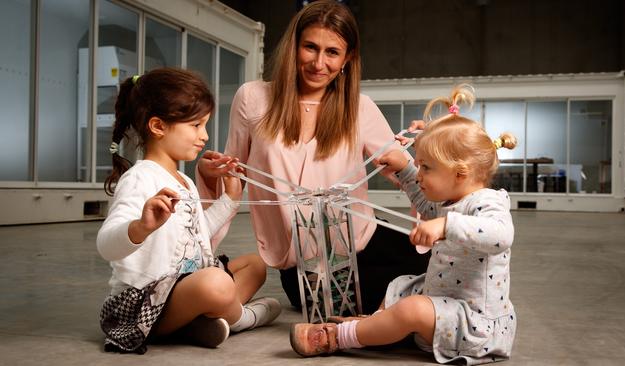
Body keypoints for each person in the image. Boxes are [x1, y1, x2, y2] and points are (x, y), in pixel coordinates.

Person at [196, 0, 428, 314]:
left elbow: (418, 181)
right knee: (384, 305)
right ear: (293, 48)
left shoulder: (360, 108)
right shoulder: (252, 98)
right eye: (310, 47)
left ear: (347, 58)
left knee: (444, 268)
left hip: (363, 241)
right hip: (302, 267)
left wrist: (419, 162)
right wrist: (210, 173)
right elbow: (231, 177)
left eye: (332, 52)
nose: (319, 63)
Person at [289, 84, 518, 364]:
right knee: (401, 285)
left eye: (426, 167)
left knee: (411, 309)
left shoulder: (487, 202)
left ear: (461, 173)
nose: (419, 175)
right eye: (418, 166)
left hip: (471, 325)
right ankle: (374, 326)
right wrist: (403, 167)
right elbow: (424, 203)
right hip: (443, 299)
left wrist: (445, 226)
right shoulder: (448, 198)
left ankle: (341, 337)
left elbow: (501, 236)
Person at [96, 67, 280, 354]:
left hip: (182, 288)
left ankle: (198, 323)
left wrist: (231, 197)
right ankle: (241, 319)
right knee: (215, 283)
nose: (204, 135)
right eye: (196, 125)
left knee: (255, 264)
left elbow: (197, 234)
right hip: (144, 303)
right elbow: (106, 245)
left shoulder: (182, 180)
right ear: (158, 126)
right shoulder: (140, 178)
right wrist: (140, 228)